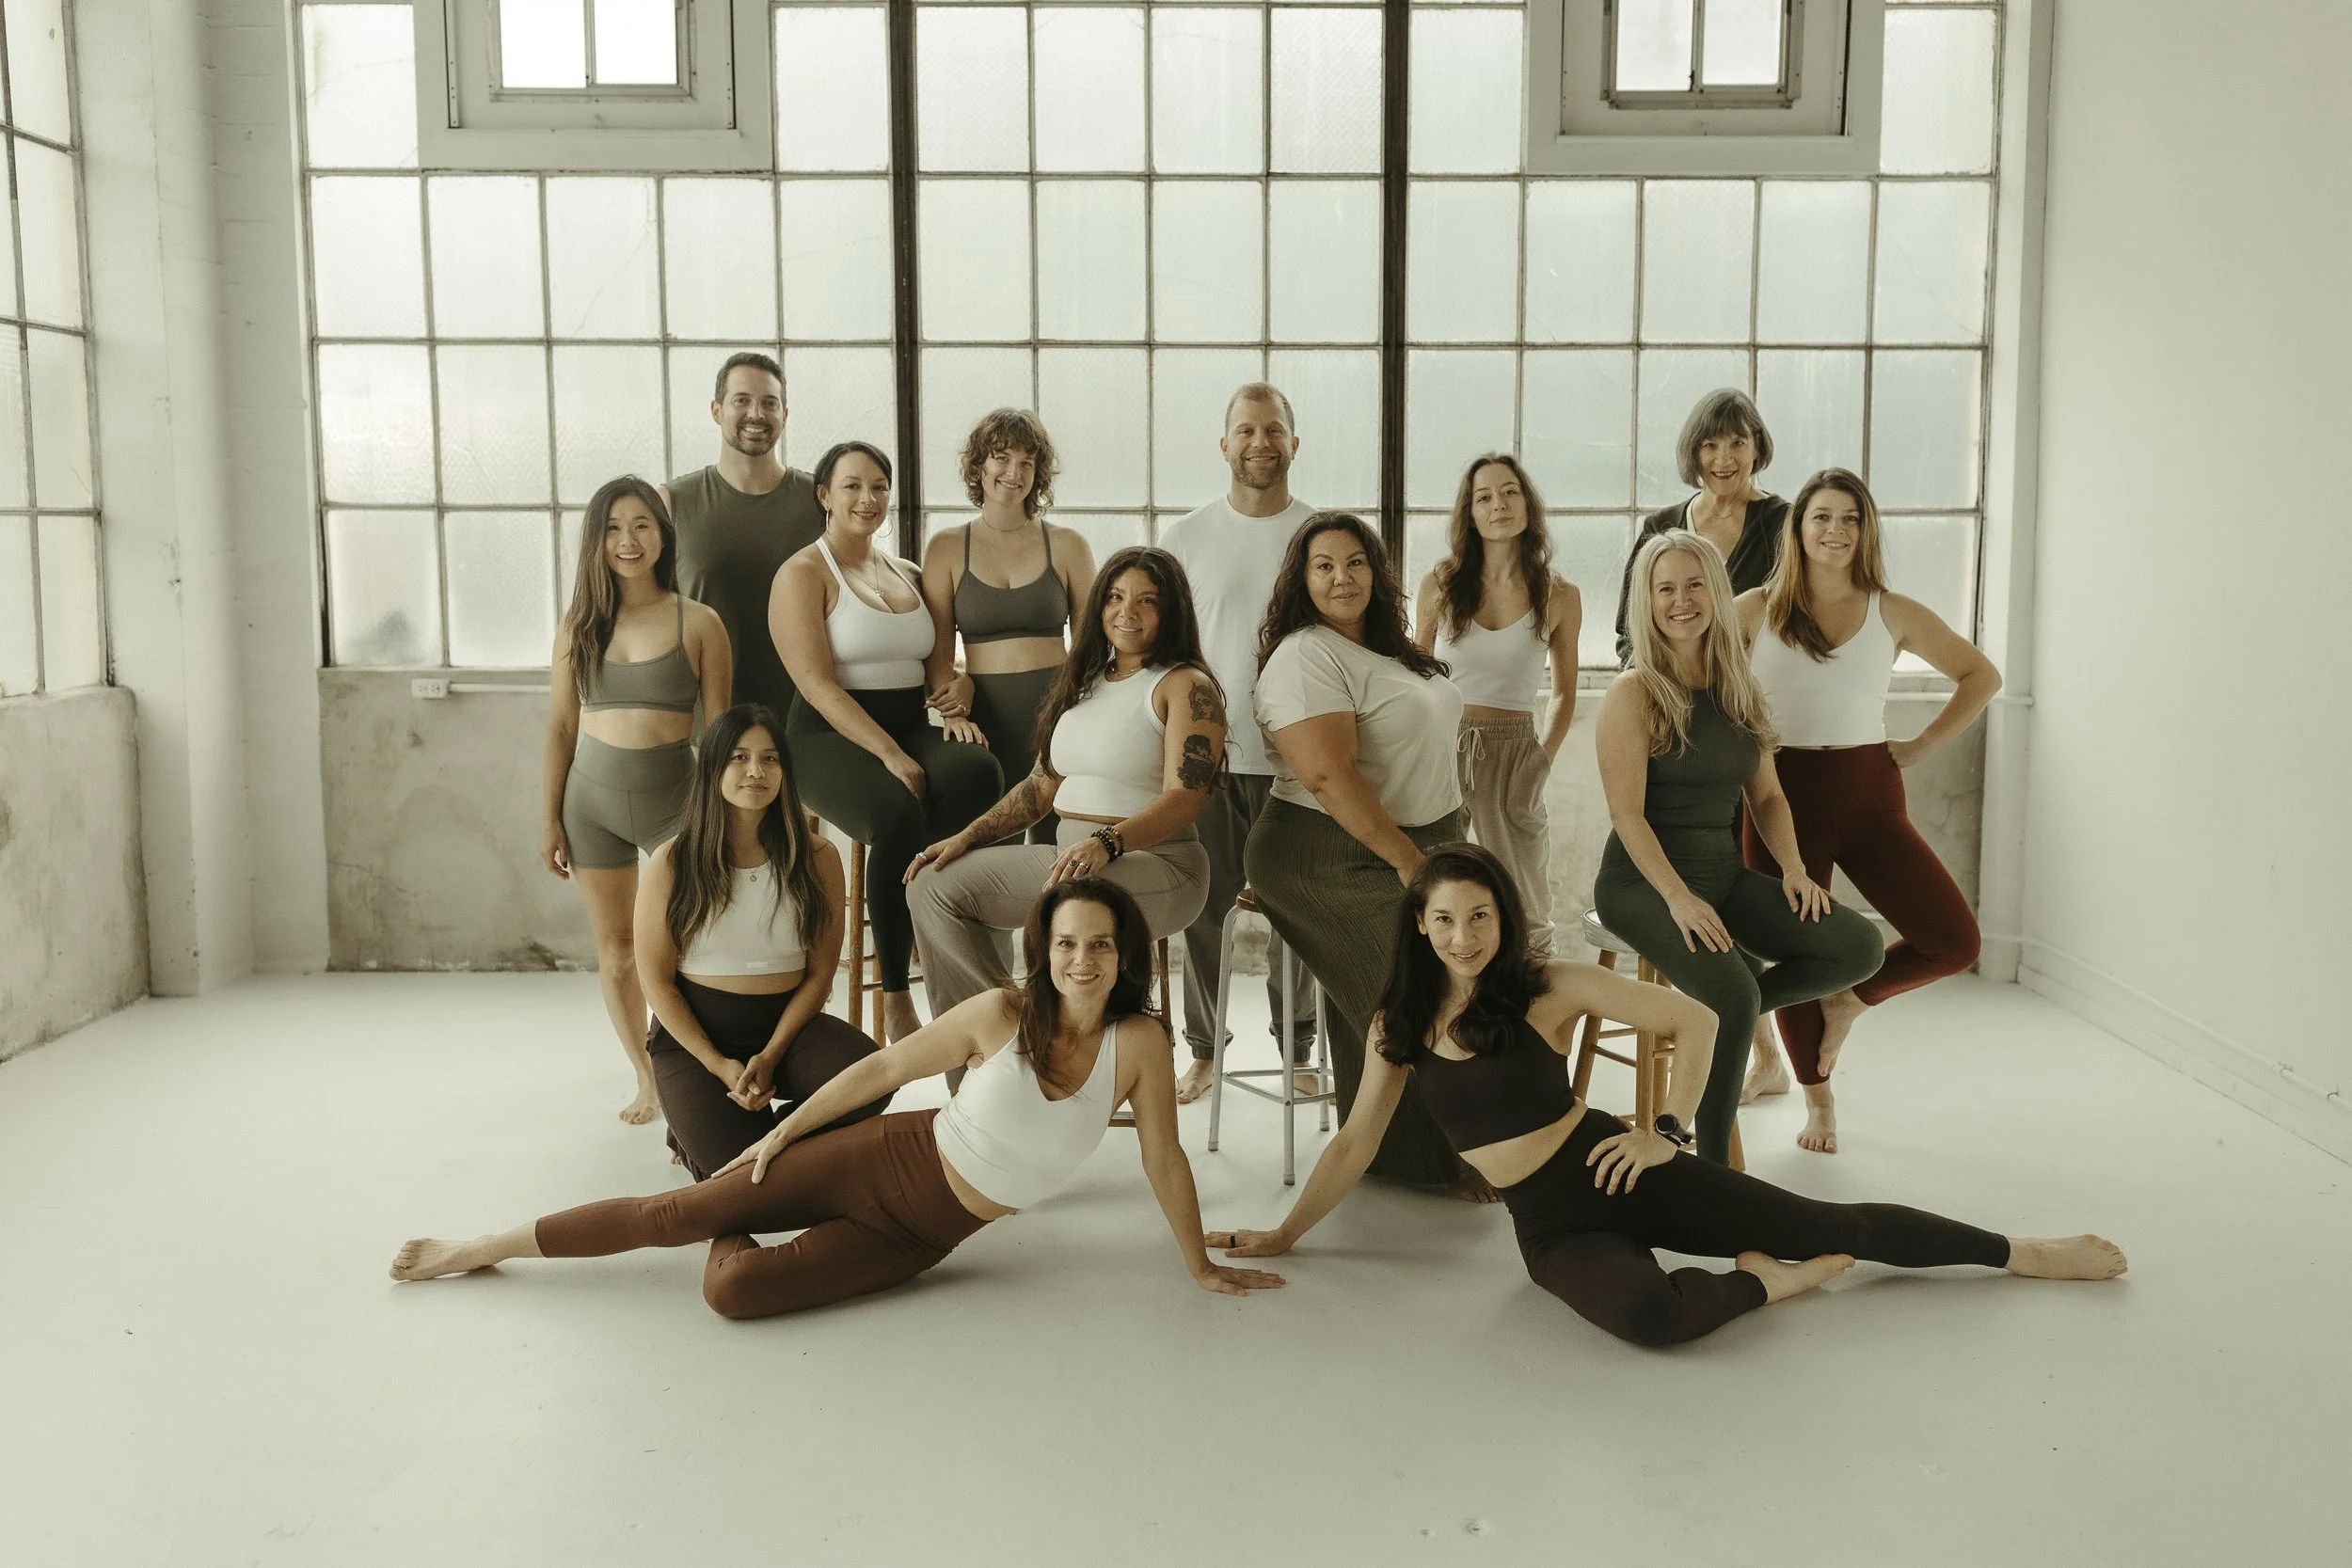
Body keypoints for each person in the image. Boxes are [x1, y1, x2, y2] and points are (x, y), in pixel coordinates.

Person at [1204, 845, 2127, 1348]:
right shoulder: (1396, 1024)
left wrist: (1666, 1129)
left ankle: (2022, 1249)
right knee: (1651, 1319)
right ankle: (1769, 1279)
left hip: (1616, 1172)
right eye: (1443, 917)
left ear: (1503, 918)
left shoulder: (1547, 985)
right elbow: (1352, 1143)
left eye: (1479, 914)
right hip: (1551, 1225)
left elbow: (1693, 1018)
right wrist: (1285, 1233)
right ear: (1418, 923)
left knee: (1837, 1221)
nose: (1462, 934)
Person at [391, 881, 1287, 1318]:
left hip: (920, 1233)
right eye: (1065, 944)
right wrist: (777, 1141)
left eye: (1099, 945)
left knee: (734, 1292)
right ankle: (483, 1245)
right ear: (1041, 950)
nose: (1082, 960)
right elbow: (878, 1074)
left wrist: (1196, 1265)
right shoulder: (1000, 1014)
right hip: (882, 1154)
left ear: (1123, 954)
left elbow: (1163, 1157)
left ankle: (725, 1217)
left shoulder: (1140, 1045)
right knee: (672, 1210)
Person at [1592, 530, 1884, 1164]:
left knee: (1859, 946)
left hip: (1721, 875)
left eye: (1695, 584)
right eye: (1664, 588)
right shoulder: (1633, 692)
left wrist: (1796, 871)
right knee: (1731, 994)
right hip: (1642, 884)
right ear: (1646, 601)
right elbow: (1627, 814)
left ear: (1717, 594)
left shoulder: (1738, 686)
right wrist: (1676, 898)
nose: (1681, 600)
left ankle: (1717, 1010)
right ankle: (1714, 1166)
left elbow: (1770, 798)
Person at [1734, 468, 2000, 1152]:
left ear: (1866, 528)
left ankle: (1851, 999)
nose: (1836, 530)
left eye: (1850, 518)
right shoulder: (1754, 609)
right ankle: (1818, 1100)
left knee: (1954, 940)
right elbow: (1696, 686)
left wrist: (1921, 745)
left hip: (1868, 790)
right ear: (1798, 528)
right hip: (1779, 793)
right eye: (1821, 516)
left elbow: (1982, 675)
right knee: (1795, 950)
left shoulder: (1894, 610)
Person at [1245, 513, 1481, 1196]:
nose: (1342, 576)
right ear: (1302, 579)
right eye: (1324, 565)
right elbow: (1328, 777)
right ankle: (1451, 1153)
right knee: (1419, 984)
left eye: (1356, 562)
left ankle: (1392, 1151)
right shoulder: (1305, 654)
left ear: (1377, 573)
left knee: (1403, 987)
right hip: (1325, 851)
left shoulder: (1389, 647)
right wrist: (1411, 862)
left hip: (1421, 840)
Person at [906, 546, 1218, 1023]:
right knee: (932, 884)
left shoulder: (1186, 685)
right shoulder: (1085, 680)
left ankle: (1033, 1036)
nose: (1126, 612)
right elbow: (1039, 788)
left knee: (1076, 897)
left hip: (1160, 863)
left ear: (1171, 610)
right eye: (1114, 597)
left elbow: (1185, 799)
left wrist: (1108, 842)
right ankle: (1000, 1035)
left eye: (1147, 600)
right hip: (1069, 861)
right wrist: (966, 838)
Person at [771, 441, 1002, 1043]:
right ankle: (896, 994)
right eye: (851, 486)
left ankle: (932, 917)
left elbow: (936, 667)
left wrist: (960, 688)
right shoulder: (802, 574)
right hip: (826, 734)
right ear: (824, 495)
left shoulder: (909, 573)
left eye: (878, 486)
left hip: (905, 722)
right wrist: (891, 755)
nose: (867, 499)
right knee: (896, 811)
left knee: (979, 772)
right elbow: (818, 686)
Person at [540, 477, 732, 1125]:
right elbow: (562, 727)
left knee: (688, 946)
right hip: (588, 803)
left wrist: (727, 818)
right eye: (615, 528)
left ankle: (692, 1067)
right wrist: (548, 817)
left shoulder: (700, 622)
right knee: (618, 951)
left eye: (643, 525)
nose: (629, 540)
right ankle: (647, 1078)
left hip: (675, 800)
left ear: (663, 534)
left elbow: (722, 734)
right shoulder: (579, 625)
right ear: (597, 541)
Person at [636, 704, 889, 1180]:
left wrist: (770, 1056)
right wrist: (717, 1065)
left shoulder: (818, 857)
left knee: (873, 1077)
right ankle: (692, 1118)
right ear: (713, 768)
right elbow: (656, 980)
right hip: (697, 1038)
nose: (756, 771)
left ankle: (754, 1127)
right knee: (738, 1178)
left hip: (788, 1031)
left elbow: (819, 975)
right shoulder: (673, 860)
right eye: (738, 757)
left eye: (770, 759)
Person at [1158, 383, 1320, 1101]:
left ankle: (1299, 1048)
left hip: (1302, 760)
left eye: (1274, 429)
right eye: (1246, 430)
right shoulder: (1185, 538)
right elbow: (1164, 654)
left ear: (1294, 442)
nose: (1261, 442)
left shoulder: (1324, 535)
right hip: (1210, 763)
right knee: (1202, 909)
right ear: (1224, 444)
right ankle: (1203, 1048)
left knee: (1300, 913)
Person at [1414, 452, 1582, 949]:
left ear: (1527, 503)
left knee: (1525, 900)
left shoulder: (1559, 594)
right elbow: (1414, 678)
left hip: (1514, 750)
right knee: (1435, 890)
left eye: (1509, 492)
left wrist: (1540, 762)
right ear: (1469, 512)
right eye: (1483, 497)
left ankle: (1533, 1012)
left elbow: (1565, 695)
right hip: (1441, 744)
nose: (1498, 504)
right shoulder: (1439, 584)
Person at [918, 408, 1097, 844]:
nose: (1013, 472)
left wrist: (1074, 710)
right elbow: (937, 655)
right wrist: (955, 713)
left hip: (1058, 712)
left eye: (1027, 463)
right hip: (984, 719)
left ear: (1039, 474)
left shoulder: (1069, 545)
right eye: (1001, 457)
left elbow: (1094, 645)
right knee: (988, 845)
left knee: (1063, 846)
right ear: (978, 465)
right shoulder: (944, 548)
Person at [663, 352, 826, 719]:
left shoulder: (820, 500)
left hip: (807, 722)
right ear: (716, 410)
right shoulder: (672, 502)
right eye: (742, 400)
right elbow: (644, 612)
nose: (756, 414)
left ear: (784, 415)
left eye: (770, 403)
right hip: (707, 725)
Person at [1612, 388, 1788, 665]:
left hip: (1757, 695)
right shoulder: (1660, 527)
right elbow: (1630, 630)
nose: (1724, 459)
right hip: (1672, 694)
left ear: (1756, 447)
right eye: (1710, 445)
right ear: (1694, 452)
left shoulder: (1785, 524)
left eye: (1738, 443)